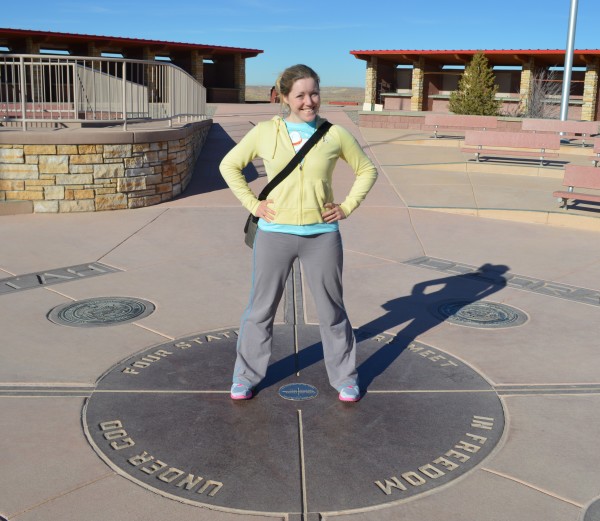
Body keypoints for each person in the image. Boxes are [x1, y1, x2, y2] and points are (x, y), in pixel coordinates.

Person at [220, 64, 377, 402]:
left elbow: (367, 170)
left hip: (322, 236)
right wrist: (253, 204)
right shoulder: (265, 132)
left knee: (332, 310)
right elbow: (229, 165)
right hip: (274, 233)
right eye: (301, 95)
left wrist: (347, 207)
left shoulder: (334, 134)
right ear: (286, 98)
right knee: (260, 309)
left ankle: (345, 377)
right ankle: (245, 376)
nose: (309, 101)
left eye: (314, 93)